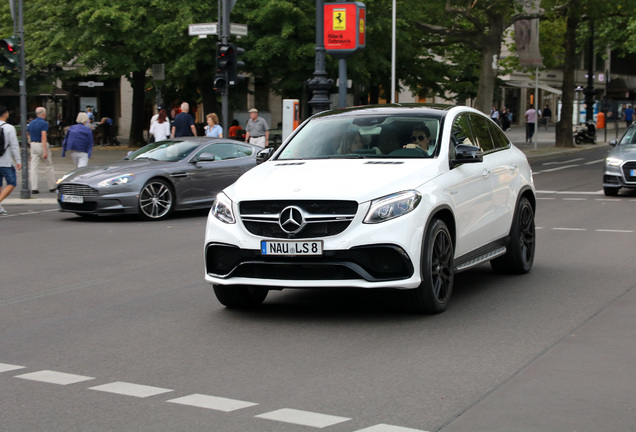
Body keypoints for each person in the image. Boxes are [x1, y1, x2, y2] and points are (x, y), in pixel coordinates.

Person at [27, 107, 56, 194]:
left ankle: (34, 187)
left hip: (33, 144)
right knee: (48, 166)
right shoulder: (44, 123)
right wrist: (45, 151)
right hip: (41, 144)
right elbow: (44, 136)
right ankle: (52, 186)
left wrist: (30, 142)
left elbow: (27, 133)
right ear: (44, 113)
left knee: (34, 166)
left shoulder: (31, 123)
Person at [0, 106, 22, 216]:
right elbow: (14, 146)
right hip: (6, 161)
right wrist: (18, 160)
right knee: (11, 182)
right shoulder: (9, 128)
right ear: (5, 114)